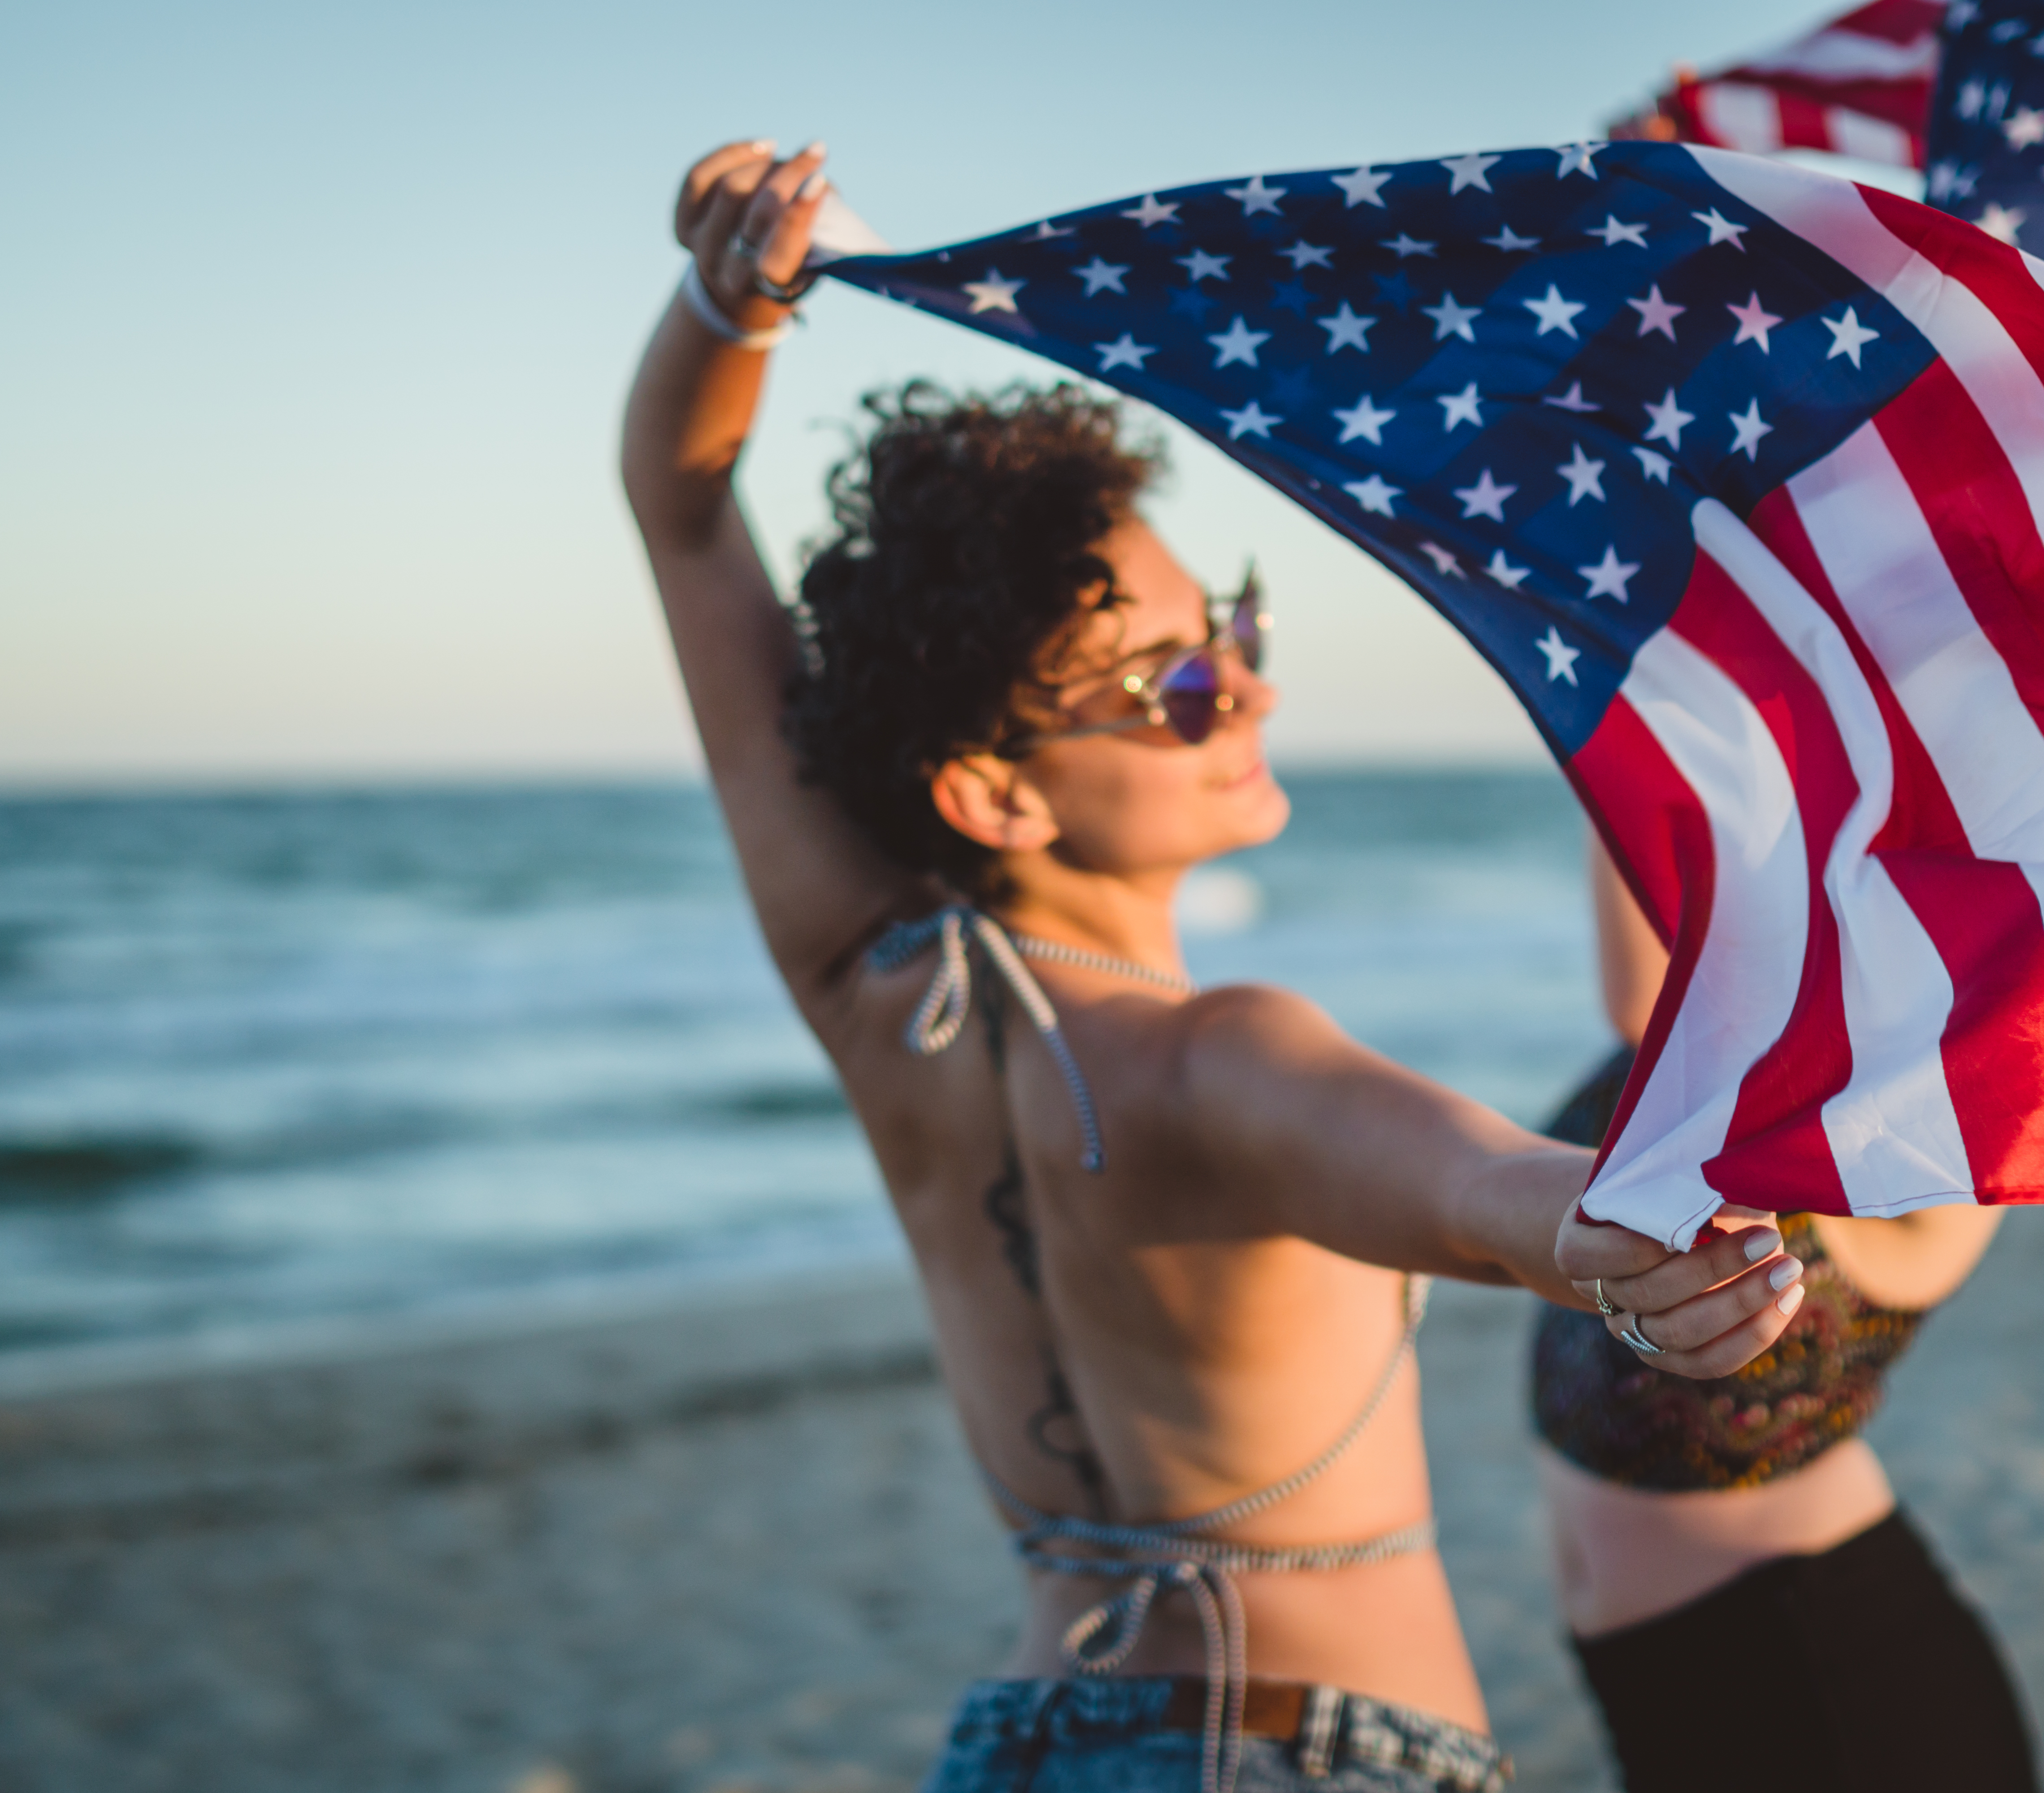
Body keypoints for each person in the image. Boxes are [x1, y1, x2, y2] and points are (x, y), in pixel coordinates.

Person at [620, 141, 1798, 1793]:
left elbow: (681, 522)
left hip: (1026, 1745)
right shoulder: (1212, 1052)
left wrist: (720, 306)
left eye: (1230, 631)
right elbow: (1470, 1187)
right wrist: (1605, 1239)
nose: (1244, 694)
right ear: (992, 791)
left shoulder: (866, 988)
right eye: (1173, 686)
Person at [1532, 839, 2041, 1793]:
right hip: (1661, 1685)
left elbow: (1654, 1005)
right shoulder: (1695, 1067)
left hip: (1828, 1682)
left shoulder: (1895, 1137)